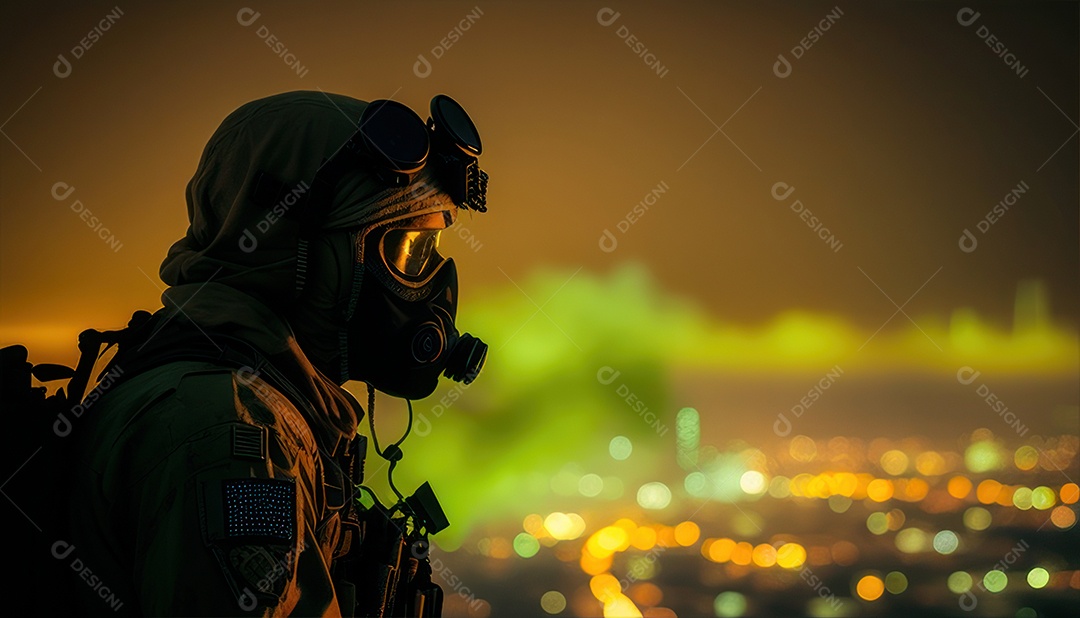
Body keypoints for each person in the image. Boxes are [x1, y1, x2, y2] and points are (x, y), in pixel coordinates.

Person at [62, 90, 490, 616]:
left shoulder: (244, 404)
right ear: (297, 251)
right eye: (409, 250)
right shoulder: (233, 433)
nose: (434, 287)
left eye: (432, 253)